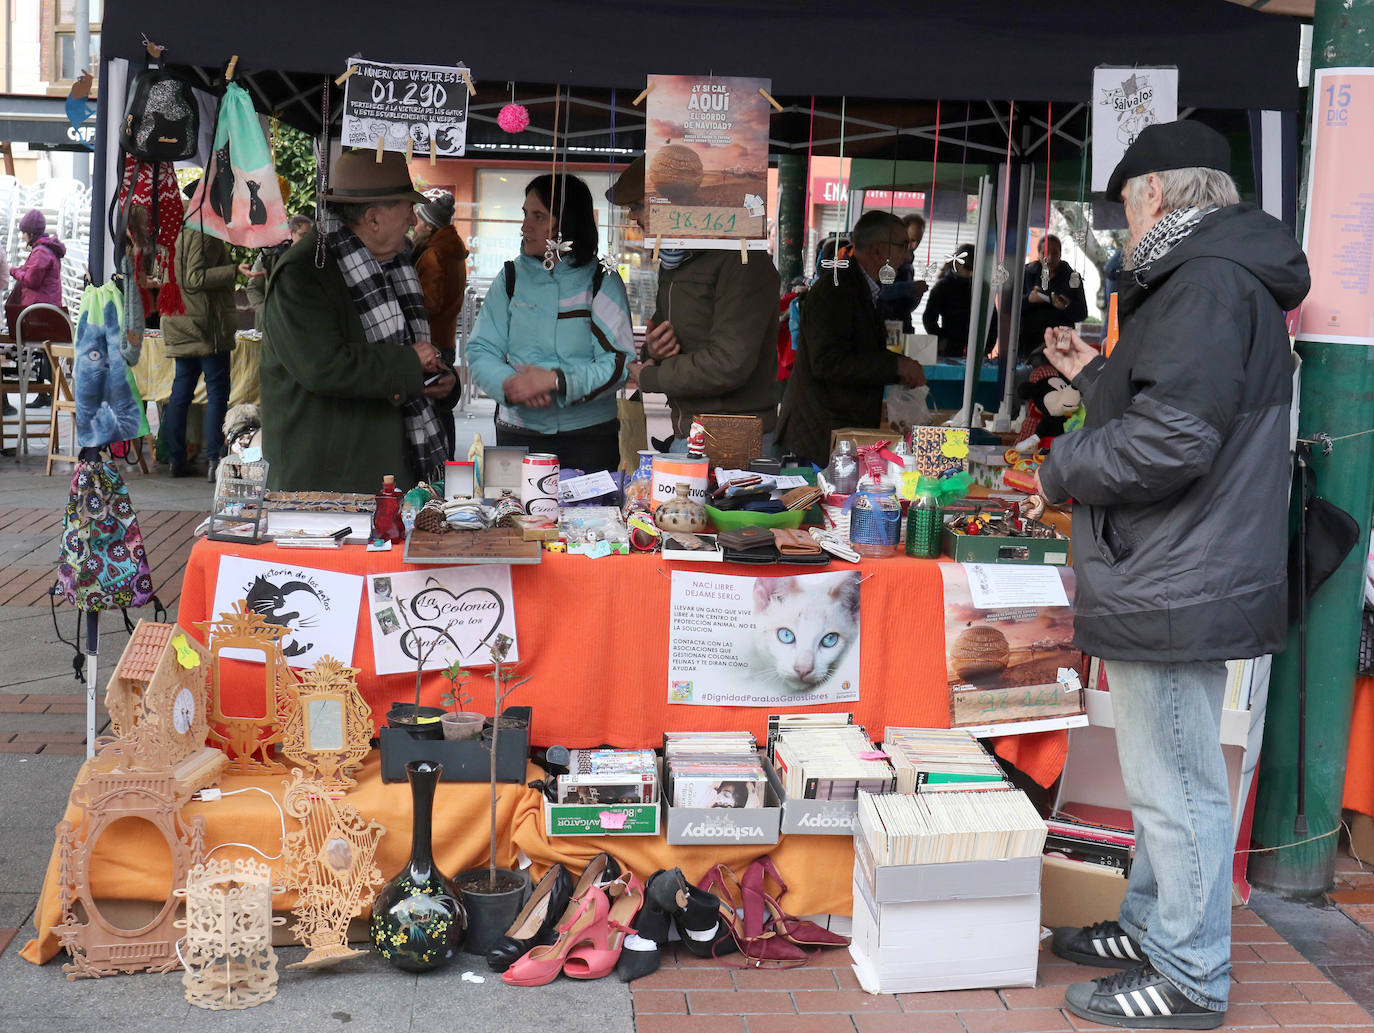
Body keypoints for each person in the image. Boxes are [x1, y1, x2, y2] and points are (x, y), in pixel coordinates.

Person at [1035, 120, 1309, 1030]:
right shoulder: (1214, 280)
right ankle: (1155, 925)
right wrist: (1105, 374)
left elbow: (1175, 440)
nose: (1119, 222)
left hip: (1180, 564)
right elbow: (1182, 407)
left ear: (1154, 194)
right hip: (1183, 560)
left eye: (1123, 202)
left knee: (1176, 776)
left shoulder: (1203, 284)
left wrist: (1063, 467)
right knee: (1172, 768)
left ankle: (1189, 973)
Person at [260, 151, 455, 493]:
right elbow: (323, 366)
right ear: (373, 218)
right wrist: (411, 363)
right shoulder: (304, 272)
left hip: (387, 470)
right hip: (328, 481)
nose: (413, 219)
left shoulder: (394, 263)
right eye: (407, 208)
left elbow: (410, 348)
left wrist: (441, 378)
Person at [606, 157, 780, 451]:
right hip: (692, 429)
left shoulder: (742, 259)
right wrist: (654, 349)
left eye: (637, 205)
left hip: (733, 437)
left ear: (668, 201)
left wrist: (651, 376)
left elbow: (729, 363)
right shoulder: (677, 259)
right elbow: (672, 335)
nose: (633, 217)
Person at [466, 172, 634, 474]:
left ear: (566, 224)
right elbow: (481, 350)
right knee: (514, 520)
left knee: (591, 520)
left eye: (539, 217)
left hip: (588, 439)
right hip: (516, 434)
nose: (524, 227)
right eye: (525, 214)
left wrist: (556, 381)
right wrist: (511, 384)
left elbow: (620, 363)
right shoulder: (510, 278)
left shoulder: (601, 281)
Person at [775, 210, 927, 466]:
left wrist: (896, 365)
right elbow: (828, 362)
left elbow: (860, 350)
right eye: (903, 245)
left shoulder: (864, 288)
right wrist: (894, 366)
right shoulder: (837, 290)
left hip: (836, 434)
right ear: (879, 251)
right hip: (816, 437)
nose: (907, 254)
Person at [160, 183, 238, 479]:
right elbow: (194, 277)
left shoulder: (176, 227)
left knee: (181, 392)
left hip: (181, 320)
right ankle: (214, 459)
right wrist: (234, 271)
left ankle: (176, 458)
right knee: (217, 393)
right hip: (205, 325)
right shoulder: (205, 229)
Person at [410, 192, 469, 456]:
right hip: (445, 338)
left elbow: (428, 304)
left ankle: (440, 466)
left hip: (430, 342)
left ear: (430, 226)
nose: (414, 225)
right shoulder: (452, 252)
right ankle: (447, 463)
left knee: (432, 412)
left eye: (420, 221)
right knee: (443, 411)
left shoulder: (433, 255)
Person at [7, 209, 67, 410]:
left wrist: (13, 271)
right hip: (47, 307)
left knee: (44, 351)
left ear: (31, 233)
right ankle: (46, 393)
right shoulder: (44, 249)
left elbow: (32, 279)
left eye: (24, 231)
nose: (22, 235)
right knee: (45, 352)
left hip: (40, 310)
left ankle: (46, 393)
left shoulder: (41, 252)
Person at [1018, 233, 1087, 359]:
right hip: (1029, 342)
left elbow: (1082, 314)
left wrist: (1066, 306)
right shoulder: (1026, 274)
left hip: (1060, 343)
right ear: (1038, 254)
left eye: (1054, 253)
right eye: (1045, 253)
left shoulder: (1072, 277)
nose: (1049, 257)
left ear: (1060, 254)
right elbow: (1009, 309)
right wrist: (1029, 299)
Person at [922, 243, 995, 359]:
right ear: (957, 265)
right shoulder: (943, 286)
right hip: (950, 350)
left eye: (974, 269)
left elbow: (992, 318)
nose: (971, 274)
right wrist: (942, 341)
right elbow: (929, 318)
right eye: (968, 269)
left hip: (977, 349)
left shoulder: (982, 288)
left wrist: (987, 346)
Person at [242, 214, 313, 327]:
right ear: (291, 234)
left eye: (310, 236)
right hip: (272, 323)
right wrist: (264, 311)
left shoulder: (315, 259)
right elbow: (253, 288)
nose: (307, 240)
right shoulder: (270, 255)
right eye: (303, 235)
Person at [877, 212, 928, 332]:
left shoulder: (908, 265)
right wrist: (911, 287)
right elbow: (882, 291)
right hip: (884, 323)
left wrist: (917, 296)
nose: (913, 246)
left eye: (918, 242)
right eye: (911, 240)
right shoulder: (887, 258)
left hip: (902, 324)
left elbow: (905, 306)